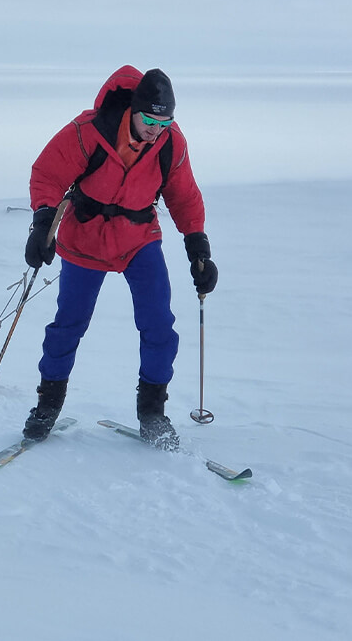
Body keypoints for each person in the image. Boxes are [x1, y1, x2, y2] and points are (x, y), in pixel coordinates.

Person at [22, 65, 219, 450]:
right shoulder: (87, 132)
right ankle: (47, 405)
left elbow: (183, 195)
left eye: (165, 123)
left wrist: (198, 245)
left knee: (159, 323)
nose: (156, 130)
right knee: (68, 324)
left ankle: (152, 413)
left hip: (138, 237)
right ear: (134, 109)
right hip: (85, 238)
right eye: (150, 120)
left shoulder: (171, 144)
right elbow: (47, 174)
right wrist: (43, 222)